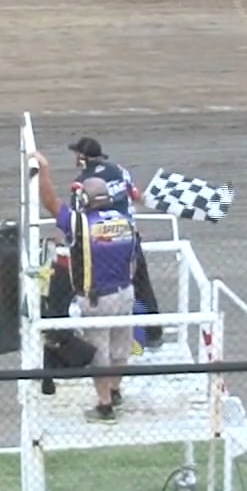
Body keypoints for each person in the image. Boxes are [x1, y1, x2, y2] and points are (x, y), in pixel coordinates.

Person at [30, 157, 139, 423]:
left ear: (86, 200)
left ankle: (104, 405)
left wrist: (44, 169)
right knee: (120, 349)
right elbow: (134, 259)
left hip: (97, 299)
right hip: (126, 293)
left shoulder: (80, 223)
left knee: (99, 352)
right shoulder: (126, 221)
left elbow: (50, 203)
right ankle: (115, 391)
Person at [67, 136, 168, 348]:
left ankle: (84, 340)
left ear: (83, 157)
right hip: (127, 237)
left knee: (93, 286)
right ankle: (153, 334)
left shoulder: (82, 183)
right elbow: (135, 194)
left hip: (99, 243)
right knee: (141, 284)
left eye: (77, 153)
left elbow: (77, 215)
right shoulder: (119, 170)